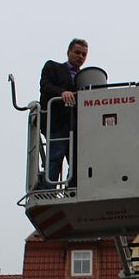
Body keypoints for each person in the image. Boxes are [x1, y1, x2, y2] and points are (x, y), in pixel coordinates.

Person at [39, 38, 88, 188]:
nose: (80, 56)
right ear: (68, 52)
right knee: (56, 156)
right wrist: (62, 93)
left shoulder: (86, 76)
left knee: (78, 161)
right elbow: (45, 86)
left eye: (84, 54)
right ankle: (48, 190)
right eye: (77, 52)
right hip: (57, 121)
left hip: (78, 124)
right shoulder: (53, 67)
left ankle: (72, 190)